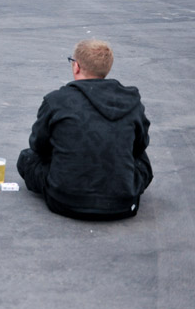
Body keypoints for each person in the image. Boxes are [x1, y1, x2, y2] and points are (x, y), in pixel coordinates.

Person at [17, 40, 153, 220]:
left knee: (27, 158)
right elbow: (140, 145)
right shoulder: (132, 102)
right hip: (123, 203)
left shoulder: (56, 100)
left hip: (64, 200)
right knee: (140, 156)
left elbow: (38, 145)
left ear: (76, 66)